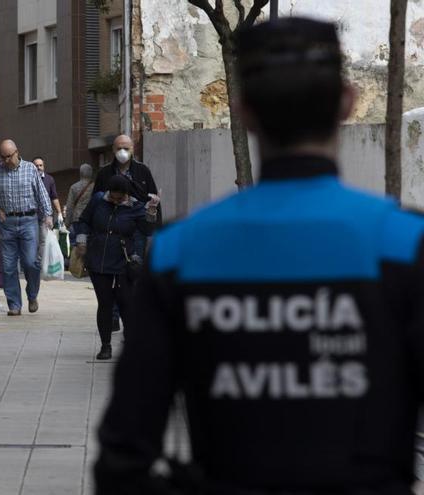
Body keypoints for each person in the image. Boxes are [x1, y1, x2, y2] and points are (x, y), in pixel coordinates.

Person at [96, 17, 424, 494]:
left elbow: (122, 458)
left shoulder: (179, 253)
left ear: (243, 111)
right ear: (347, 103)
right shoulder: (405, 244)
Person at [74, 175, 149, 360]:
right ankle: (105, 346)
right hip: (98, 259)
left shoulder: (136, 206)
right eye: (112, 197)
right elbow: (83, 220)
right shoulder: (98, 200)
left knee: (126, 302)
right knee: (105, 303)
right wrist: (82, 240)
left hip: (124, 261)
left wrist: (152, 212)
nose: (115, 201)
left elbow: (148, 229)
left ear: (126, 195)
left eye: (119, 198)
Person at [0, 139, 53, 315]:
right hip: (7, 223)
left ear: (17, 152)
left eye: (8, 156)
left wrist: (48, 215)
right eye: (2, 157)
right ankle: (14, 305)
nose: (5, 161)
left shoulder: (30, 169)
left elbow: (41, 194)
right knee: (8, 266)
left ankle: (32, 295)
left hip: (28, 221)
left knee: (31, 262)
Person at [93, 134, 162, 226]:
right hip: (111, 225)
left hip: (138, 226)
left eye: (126, 148)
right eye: (119, 148)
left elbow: (153, 198)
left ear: (132, 149)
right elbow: (95, 201)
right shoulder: (104, 173)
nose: (122, 152)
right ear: (113, 149)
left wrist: (156, 227)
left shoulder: (142, 170)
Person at [64, 163, 95, 238]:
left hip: (78, 218)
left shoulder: (74, 187)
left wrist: (67, 223)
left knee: (78, 243)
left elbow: (70, 206)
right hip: (92, 219)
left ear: (80, 173)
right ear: (91, 173)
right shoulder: (95, 186)